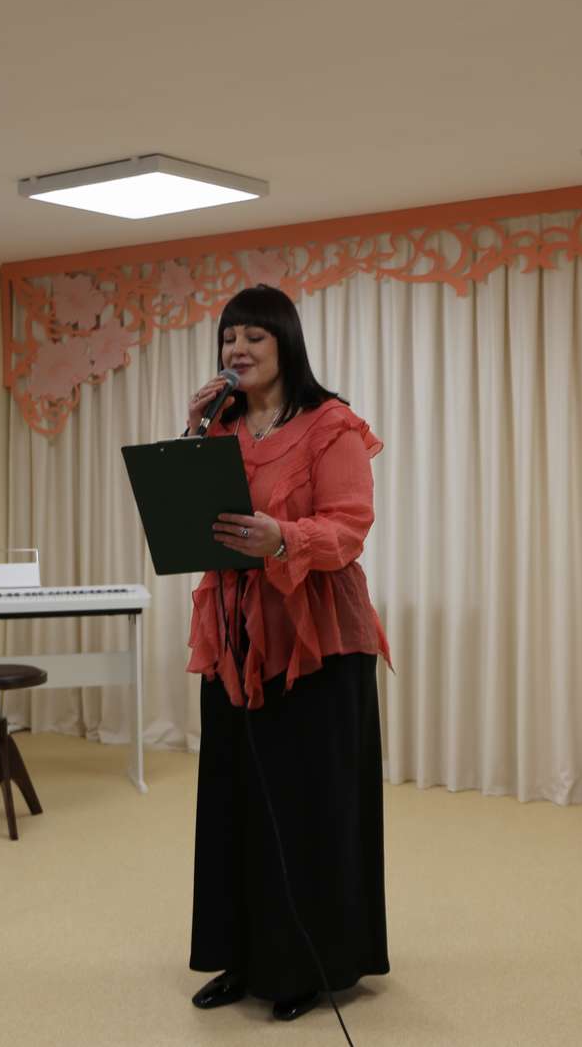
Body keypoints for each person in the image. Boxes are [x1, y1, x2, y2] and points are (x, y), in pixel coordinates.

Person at [183, 284, 391, 1023]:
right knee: (234, 800)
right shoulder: (219, 425)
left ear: (285, 344)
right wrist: (191, 435)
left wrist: (283, 539)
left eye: (254, 337)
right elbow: (195, 516)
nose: (236, 349)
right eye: (228, 337)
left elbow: (349, 528)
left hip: (317, 642)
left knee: (308, 807)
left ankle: (310, 965)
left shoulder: (330, 425)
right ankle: (241, 957)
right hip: (235, 638)